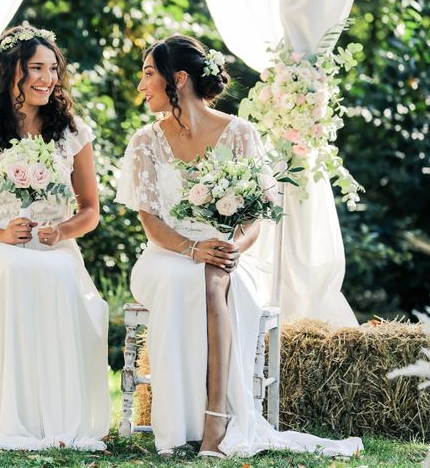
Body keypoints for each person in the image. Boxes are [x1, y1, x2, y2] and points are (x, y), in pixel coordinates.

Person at [115, 34, 363, 458]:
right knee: (180, 282)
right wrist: (193, 249)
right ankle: (183, 425)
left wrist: (232, 250)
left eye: (148, 74)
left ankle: (220, 415)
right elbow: (150, 222)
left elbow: (256, 220)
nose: (141, 86)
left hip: (229, 254)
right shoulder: (145, 141)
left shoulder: (240, 133)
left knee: (225, 283)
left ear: (177, 79)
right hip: (167, 254)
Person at [0, 24, 110, 451]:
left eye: (53, 69)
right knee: (11, 269)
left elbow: (90, 210)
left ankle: (52, 414)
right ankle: (2, 411)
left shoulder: (73, 132)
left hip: (54, 247)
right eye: (36, 67)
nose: (47, 78)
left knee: (54, 273)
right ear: (9, 72)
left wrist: (63, 230)